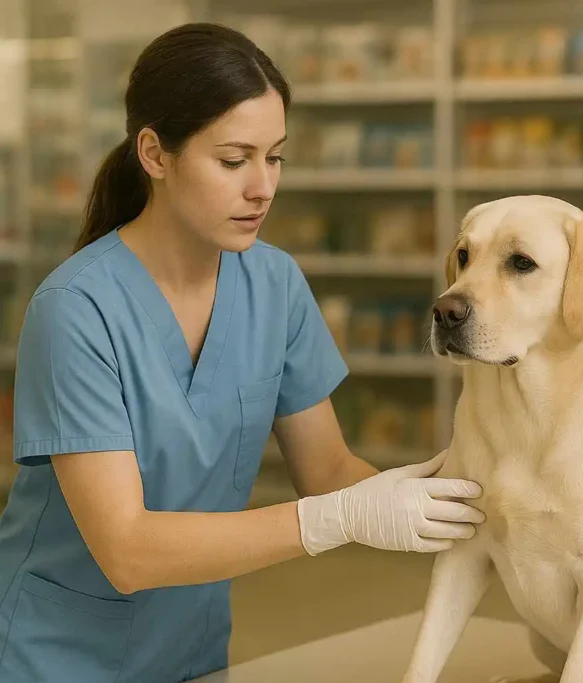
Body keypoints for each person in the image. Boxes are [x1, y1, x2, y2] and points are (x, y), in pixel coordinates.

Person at [0, 23, 484, 683]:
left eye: (275, 157)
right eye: (234, 160)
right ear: (155, 154)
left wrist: (463, 494)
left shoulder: (274, 283)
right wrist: (332, 519)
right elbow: (127, 549)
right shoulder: (76, 310)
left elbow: (329, 468)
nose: (263, 187)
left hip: (190, 653)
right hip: (51, 658)